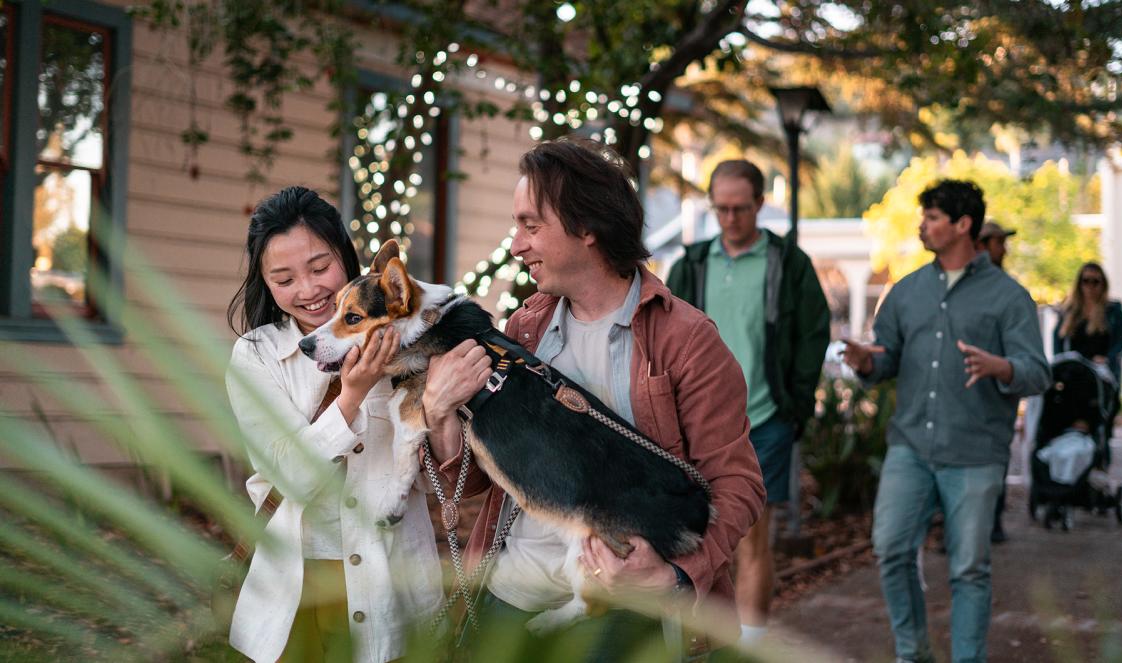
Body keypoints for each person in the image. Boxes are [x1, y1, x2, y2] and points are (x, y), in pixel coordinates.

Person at [422, 138, 766, 654]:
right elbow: (476, 479)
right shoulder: (523, 330)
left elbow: (738, 484)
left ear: (587, 227)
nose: (516, 245)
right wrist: (438, 411)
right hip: (511, 593)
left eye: (531, 226)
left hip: (623, 605)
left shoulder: (687, 340)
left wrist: (673, 576)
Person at [224, 186, 443, 663]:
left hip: (396, 574)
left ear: (346, 257)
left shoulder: (410, 339)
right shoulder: (258, 356)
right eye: (283, 279)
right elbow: (289, 476)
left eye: (320, 268)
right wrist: (353, 395)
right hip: (301, 581)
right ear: (265, 283)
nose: (307, 290)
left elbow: (443, 471)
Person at [843, 179, 1050, 663]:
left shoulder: (1008, 297)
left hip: (975, 453)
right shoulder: (907, 292)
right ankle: (913, 653)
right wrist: (867, 362)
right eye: (925, 216)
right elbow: (886, 357)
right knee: (891, 550)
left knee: (969, 569)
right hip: (911, 447)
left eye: (934, 217)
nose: (924, 225)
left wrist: (1002, 367)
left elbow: (1038, 371)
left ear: (963, 225)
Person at [665, 159, 830, 643]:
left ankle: (750, 647)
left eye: (740, 208)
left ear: (760, 204)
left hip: (765, 418)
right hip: (695, 421)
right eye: (721, 209)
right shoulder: (691, 265)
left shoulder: (787, 263)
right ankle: (702, 638)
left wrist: (794, 406)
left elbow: (813, 334)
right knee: (693, 533)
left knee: (752, 537)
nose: (730, 218)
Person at [973, 220, 1018, 543]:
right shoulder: (964, 285)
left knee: (996, 454)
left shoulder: (1009, 290)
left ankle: (994, 521)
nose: (1004, 249)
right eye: (999, 242)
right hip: (967, 387)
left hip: (999, 388)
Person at [1053, 263, 1122, 384]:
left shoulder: (1113, 311)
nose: (1090, 286)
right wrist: (1062, 363)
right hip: (1073, 374)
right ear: (1079, 284)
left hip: (1102, 374)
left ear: (1103, 284)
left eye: (1095, 281)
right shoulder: (1069, 310)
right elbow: (1057, 340)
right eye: (1086, 281)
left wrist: (1107, 358)